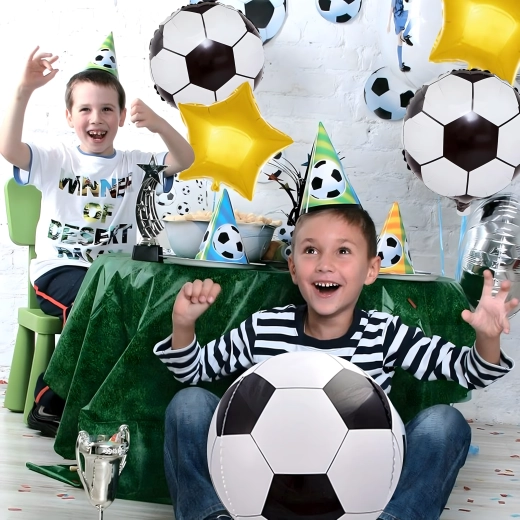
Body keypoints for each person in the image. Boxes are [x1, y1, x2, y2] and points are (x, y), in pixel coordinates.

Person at [154, 205, 517, 520]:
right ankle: (209, 515)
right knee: (189, 403)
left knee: (445, 422)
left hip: (363, 483)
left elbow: (468, 370)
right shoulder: (264, 328)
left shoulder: (384, 333)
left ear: (371, 270)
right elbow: (193, 370)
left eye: (343, 251)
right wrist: (183, 325)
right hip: (257, 479)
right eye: (311, 251)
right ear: (293, 268)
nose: (325, 265)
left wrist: (487, 337)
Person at [0, 46, 194, 436]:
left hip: (113, 275)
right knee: (94, 302)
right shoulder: (56, 159)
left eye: (107, 109)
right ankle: (49, 400)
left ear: (121, 117)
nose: (96, 118)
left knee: (142, 307)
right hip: (60, 272)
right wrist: (23, 90)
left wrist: (158, 123)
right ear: (69, 116)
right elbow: (9, 149)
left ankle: (113, 402)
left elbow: (185, 158)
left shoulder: (134, 165)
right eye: (85, 109)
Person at [388, 0, 413, 72]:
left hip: (398, 18)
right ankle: (405, 35)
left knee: (399, 43)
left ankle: (401, 66)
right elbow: (391, 9)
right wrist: (388, 24)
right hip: (399, 17)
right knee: (415, 15)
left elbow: (408, 1)